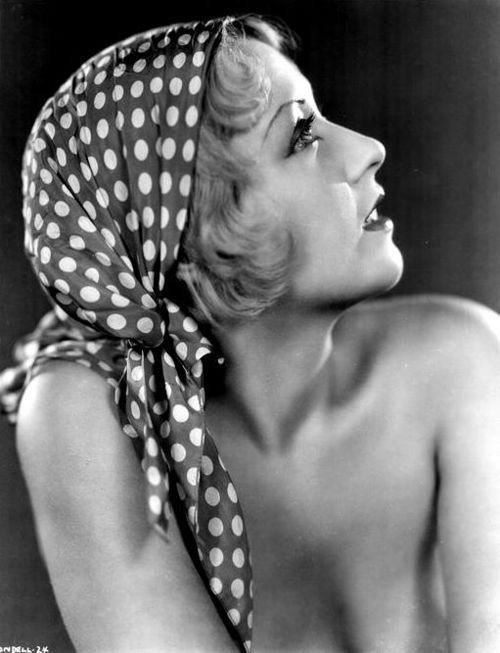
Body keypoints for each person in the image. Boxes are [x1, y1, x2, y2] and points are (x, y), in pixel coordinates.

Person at [2, 11, 500, 653]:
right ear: (194, 238)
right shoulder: (95, 406)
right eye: (301, 136)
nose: (368, 148)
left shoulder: (463, 360)